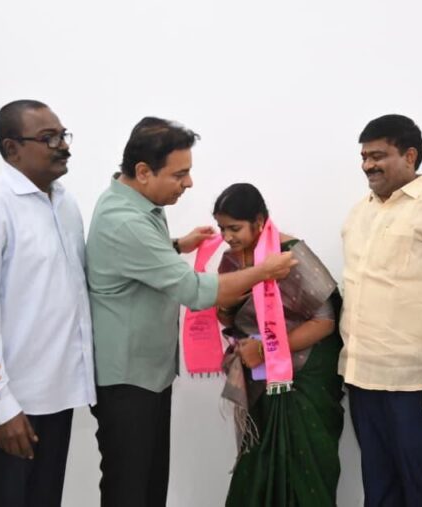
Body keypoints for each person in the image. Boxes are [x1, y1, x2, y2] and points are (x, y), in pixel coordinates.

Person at [86, 117, 296, 507]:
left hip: (147, 373)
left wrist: (177, 245)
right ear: (144, 172)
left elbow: (137, 257)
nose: (189, 183)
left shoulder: (134, 204)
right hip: (128, 381)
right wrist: (264, 271)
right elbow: (194, 291)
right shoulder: (125, 220)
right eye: (179, 174)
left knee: (150, 485)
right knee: (129, 489)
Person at [0, 100, 95, 506]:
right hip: (11, 404)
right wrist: (1, 408)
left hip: (58, 394)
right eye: (48, 138)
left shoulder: (65, 203)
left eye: (63, 135)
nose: (62, 146)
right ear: (12, 148)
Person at [340, 114, 422, 506]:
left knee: (421, 489)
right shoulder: (359, 212)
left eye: (378, 156)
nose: (368, 165)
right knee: (379, 489)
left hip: (417, 384)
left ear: (410, 156)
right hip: (362, 378)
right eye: (364, 157)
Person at [212, 183, 344, 506]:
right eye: (221, 228)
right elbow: (229, 317)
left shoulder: (290, 255)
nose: (227, 236)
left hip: (304, 377)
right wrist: (225, 307)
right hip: (260, 379)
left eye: (234, 228)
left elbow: (325, 322)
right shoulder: (231, 260)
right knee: (257, 466)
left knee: (304, 470)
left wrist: (266, 350)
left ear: (259, 221)